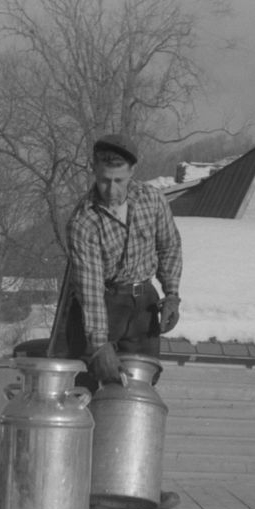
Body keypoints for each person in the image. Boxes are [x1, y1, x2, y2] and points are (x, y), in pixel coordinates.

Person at [65, 134, 183, 388]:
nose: (112, 189)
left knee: (141, 383)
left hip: (144, 304)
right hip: (103, 305)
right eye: (104, 180)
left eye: (119, 180)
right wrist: (99, 344)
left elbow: (169, 245)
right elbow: (90, 289)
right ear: (94, 170)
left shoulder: (152, 200)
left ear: (132, 172)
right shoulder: (84, 221)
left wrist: (171, 293)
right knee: (92, 379)